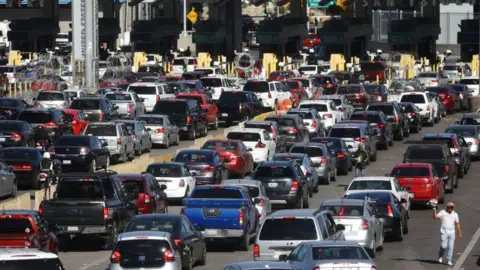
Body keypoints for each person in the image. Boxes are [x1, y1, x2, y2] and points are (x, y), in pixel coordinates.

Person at [433, 201, 462, 266]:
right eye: (449, 207)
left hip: (452, 232)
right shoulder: (443, 212)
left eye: (452, 207)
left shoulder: (455, 214)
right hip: (444, 231)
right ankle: (440, 256)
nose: (451, 209)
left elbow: (457, 224)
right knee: (444, 246)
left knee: (451, 247)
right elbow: (435, 217)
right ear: (447, 207)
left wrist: (459, 233)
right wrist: (434, 210)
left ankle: (449, 260)